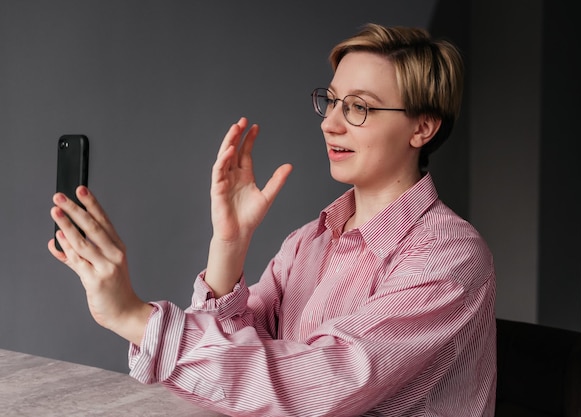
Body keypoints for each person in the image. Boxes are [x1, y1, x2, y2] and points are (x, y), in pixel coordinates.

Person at [49, 23, 496, 417]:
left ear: (423, 128)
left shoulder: (449, 257)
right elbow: (240, 372)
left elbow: (315, 388)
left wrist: (132, 316)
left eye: (358, 107)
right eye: (332, 101)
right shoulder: (310, 241)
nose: (330, 124)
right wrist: (229, 245)